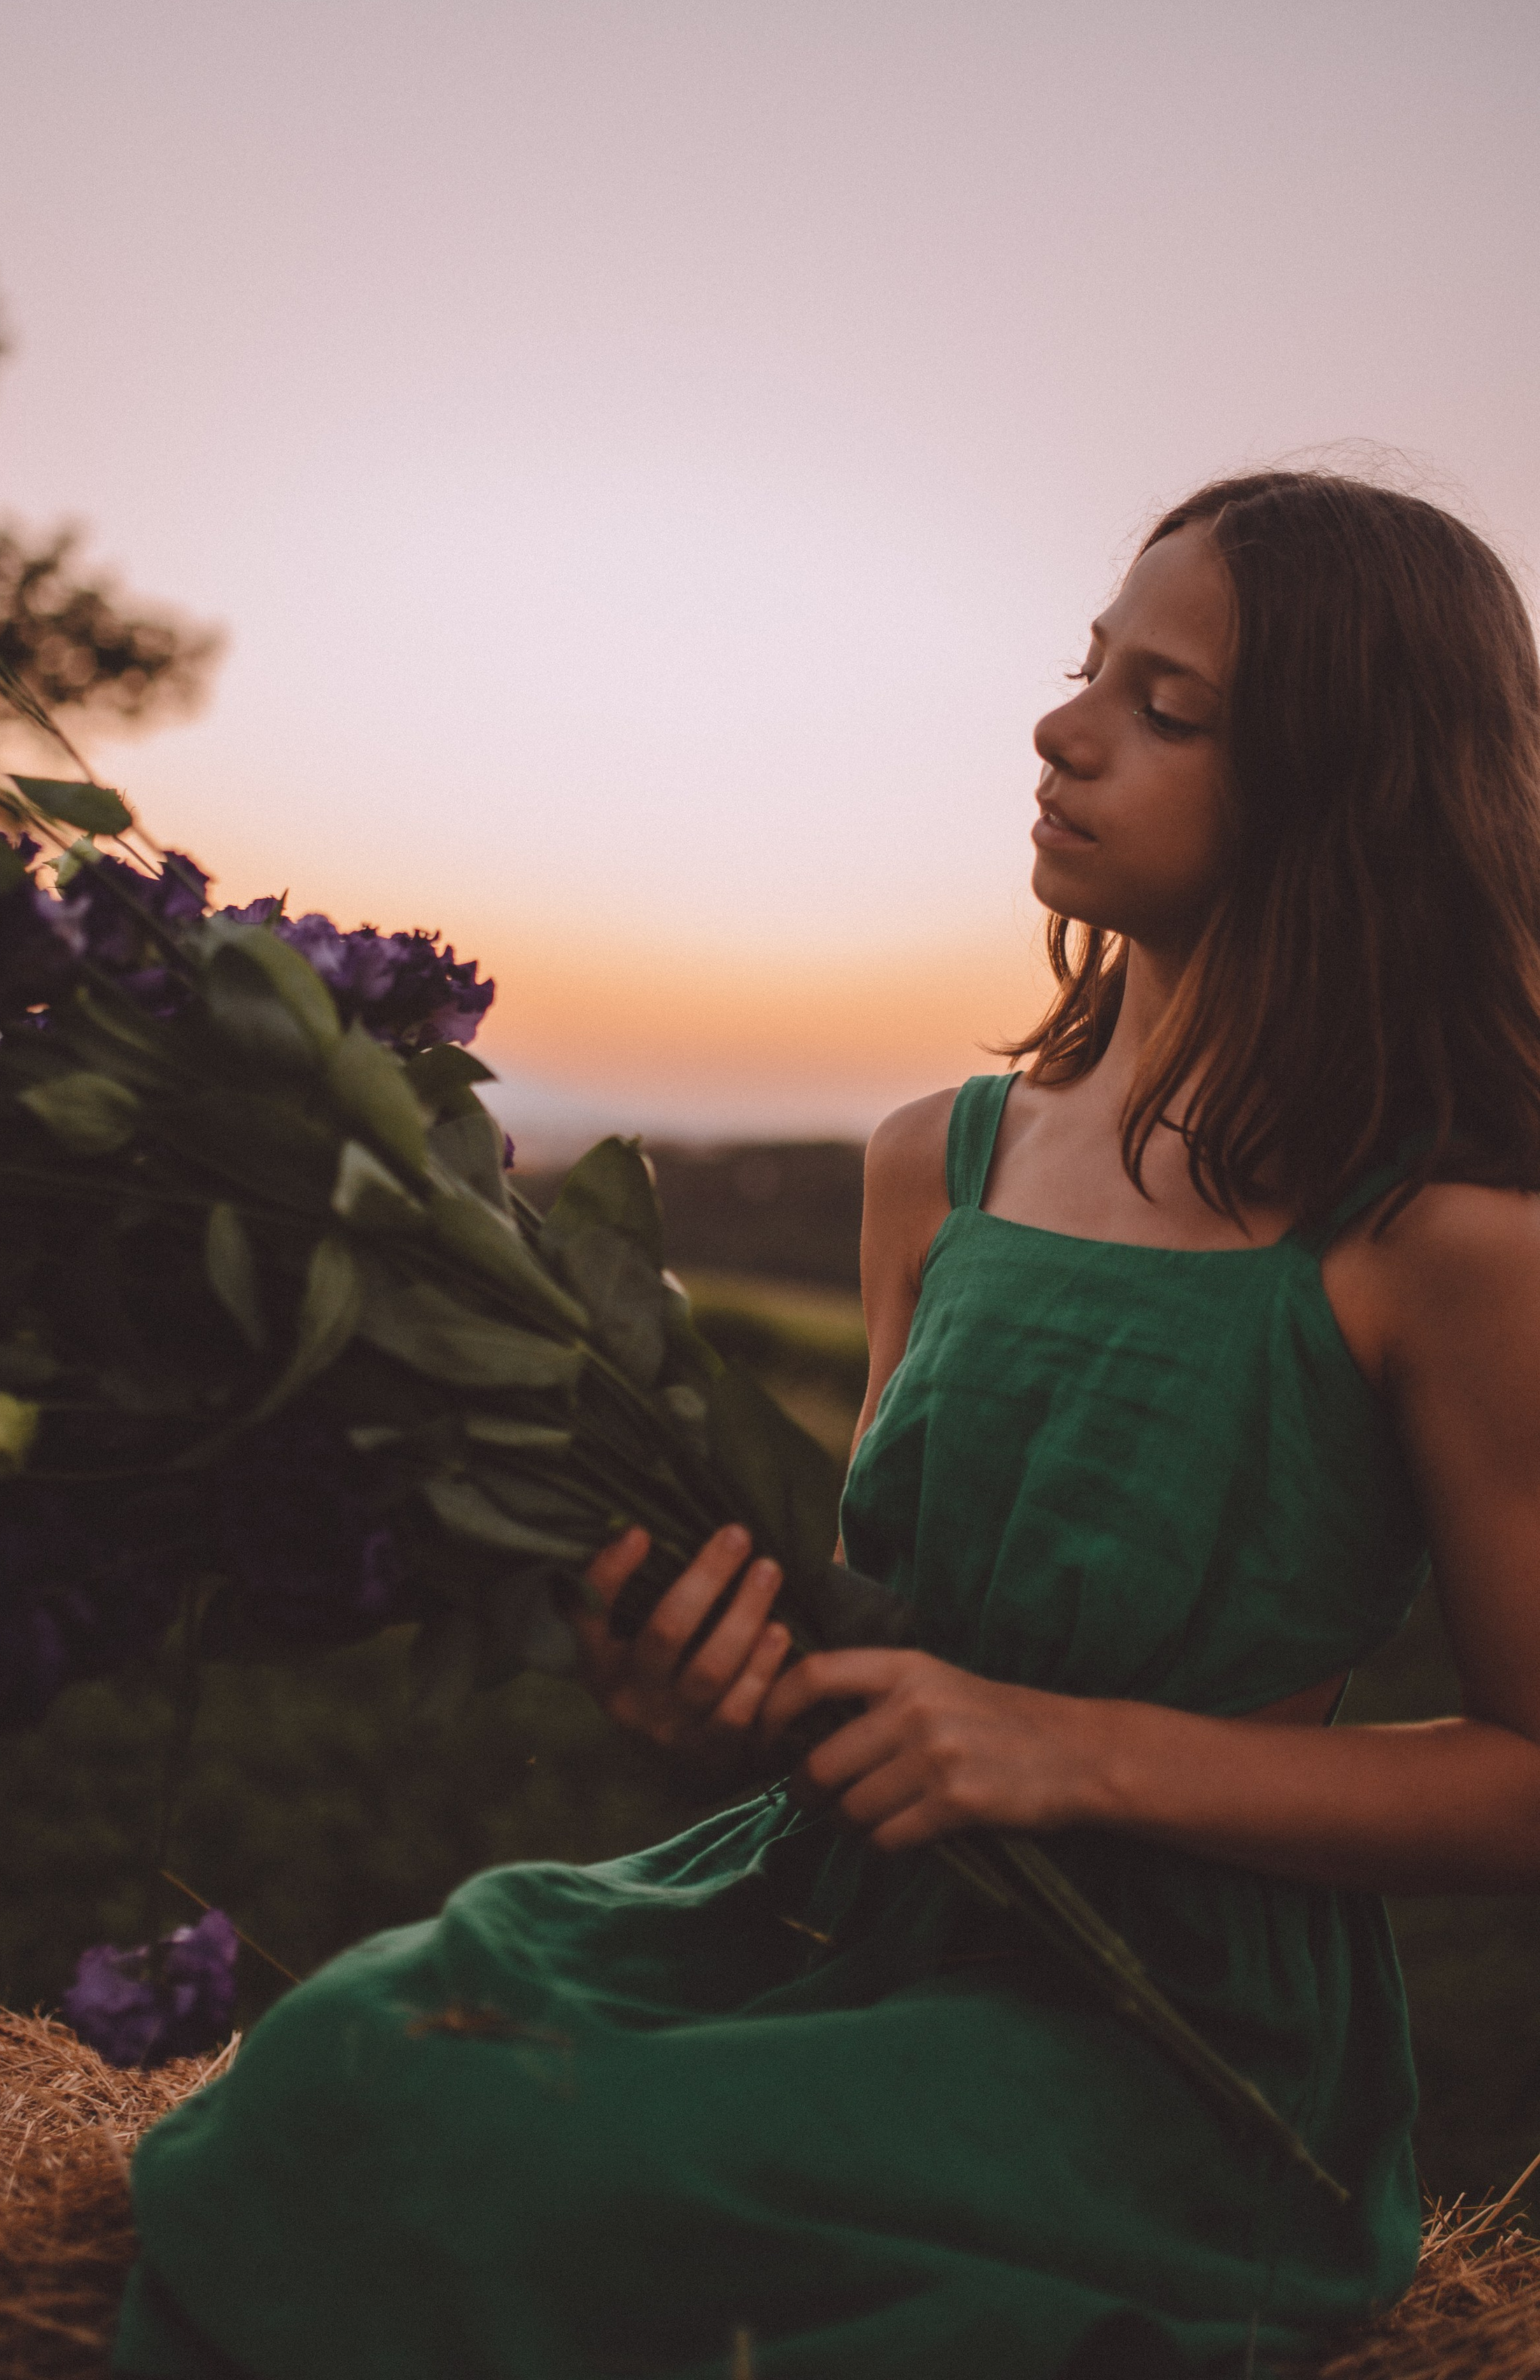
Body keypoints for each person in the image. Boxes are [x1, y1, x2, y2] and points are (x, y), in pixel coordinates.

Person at [115, 470, 1540, 2379]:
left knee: (484, 2152)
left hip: (1162, 2042)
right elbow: (882, 1626)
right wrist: (716, 1686)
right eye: (1086, 668)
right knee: (348, 2058)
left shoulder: (1435, 1244)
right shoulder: (930, 1166)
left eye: (1167, 708)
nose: (1064, 726)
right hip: (816, 1910)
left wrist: (1073, 1757)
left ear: (1344, 797)